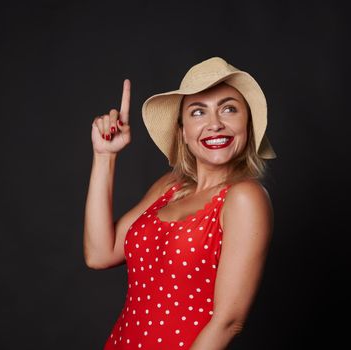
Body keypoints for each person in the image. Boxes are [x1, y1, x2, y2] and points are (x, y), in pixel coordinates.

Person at [83, 57, 276, 349]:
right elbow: (99, 254)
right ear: (183, 132)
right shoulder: (169, 186)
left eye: (229, 109)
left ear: (246, 124)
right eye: (198, 112)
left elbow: (228, 321)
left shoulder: (245, 198)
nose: (214, 124)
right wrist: (105, 156)